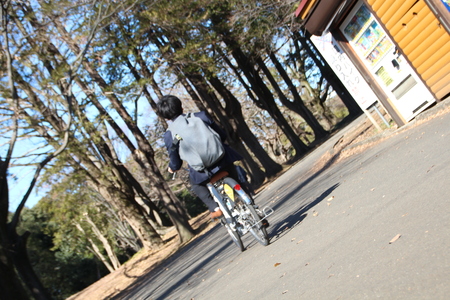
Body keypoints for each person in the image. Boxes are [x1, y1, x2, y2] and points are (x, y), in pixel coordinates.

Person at [157, 95, 244, 219]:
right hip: (223, 160)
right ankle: (253, 208)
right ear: (181, 108)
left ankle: (214, 208)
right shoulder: (200, 116)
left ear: (166, 117)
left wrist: (172, 168)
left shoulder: (169, 135)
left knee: (196, 185)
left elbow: (176, 162)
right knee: (237, 182)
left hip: (203, 172)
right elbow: (222, 135)